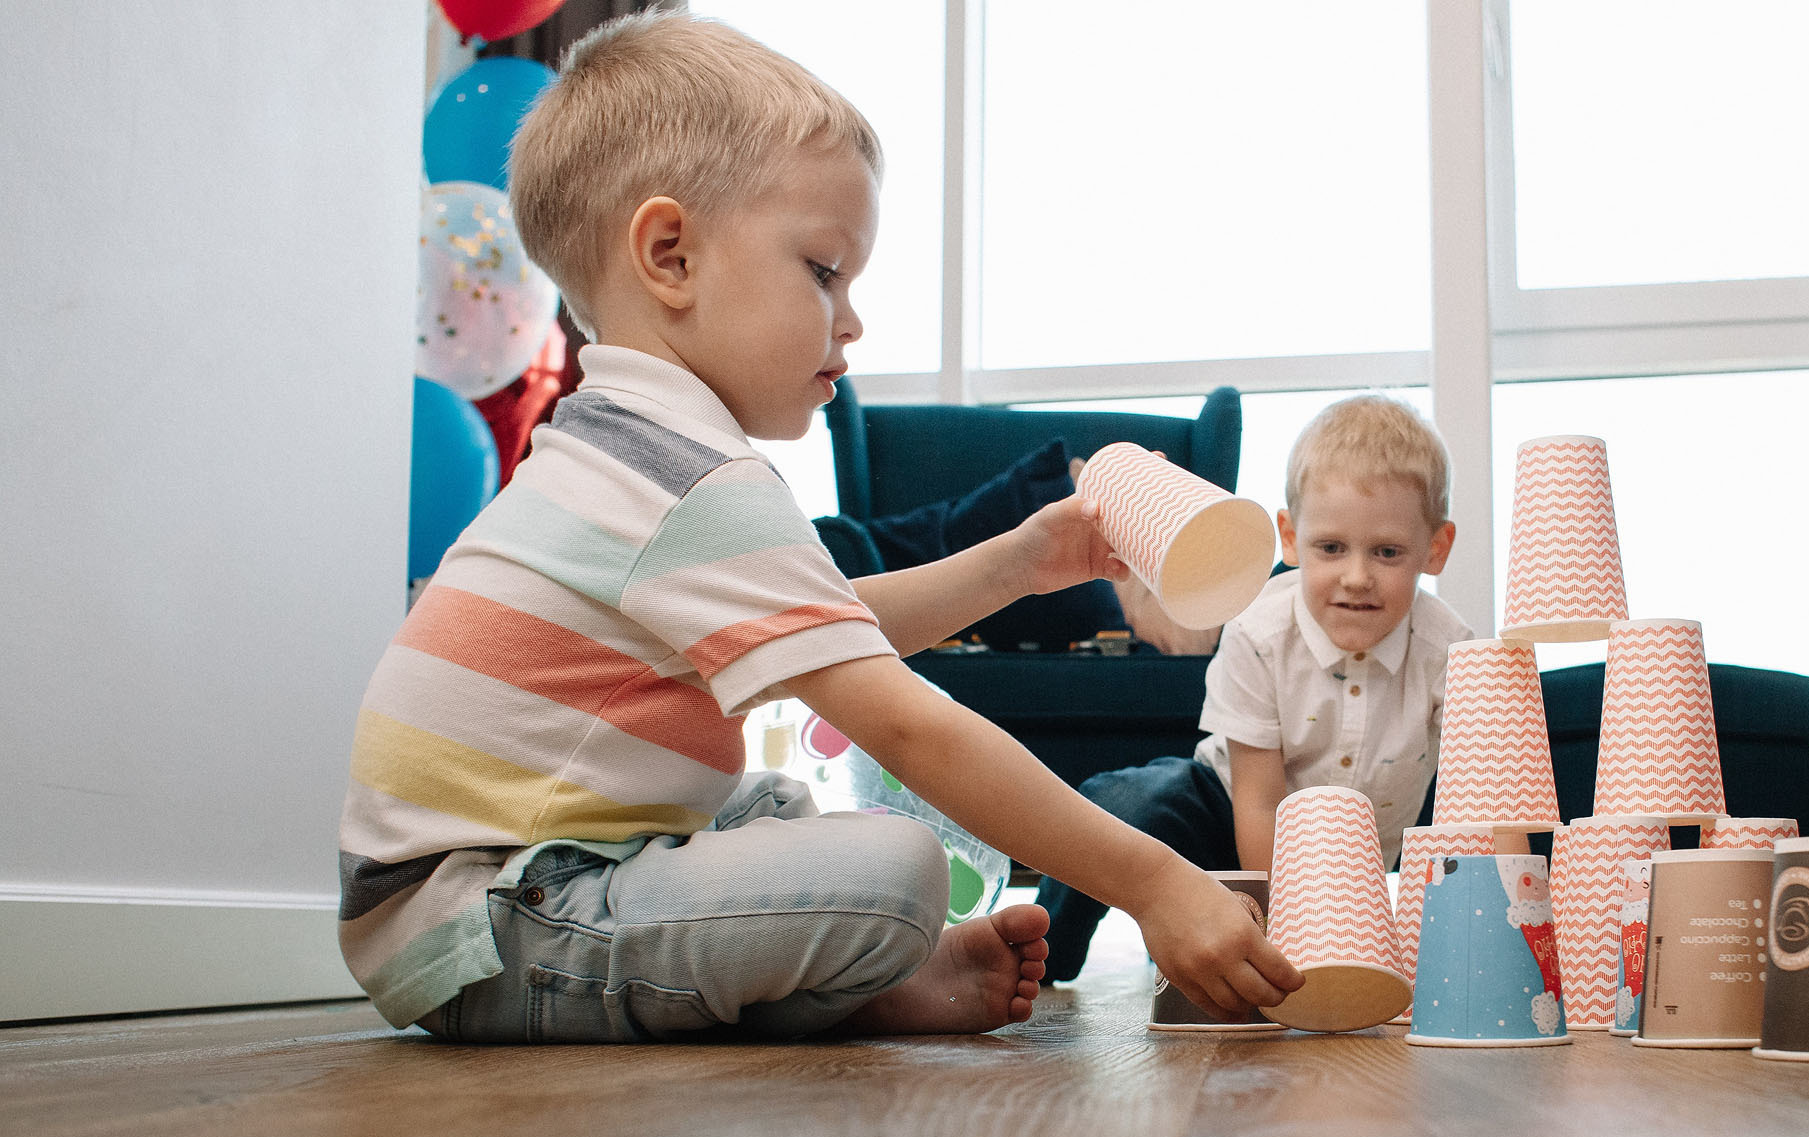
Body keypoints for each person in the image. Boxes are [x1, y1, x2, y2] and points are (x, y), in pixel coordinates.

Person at [337, 13, 1301, 1042]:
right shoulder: (685, 478)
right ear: (670, 255)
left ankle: (851, 979)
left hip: (489, 895)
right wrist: (1160, 885)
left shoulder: (624, 446)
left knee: (770, 812)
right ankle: (861, 978)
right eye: (824, 272)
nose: (852, 321)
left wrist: (1023, 562)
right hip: (494, 919)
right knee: (893, 869)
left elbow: (833, 623)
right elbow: (903, 719)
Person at [1035, 396, 1473, 981]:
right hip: (1230, 809)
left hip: (1354, 855)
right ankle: (1043, 956)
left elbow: (1469, 808)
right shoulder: (1260, 632)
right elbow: (1260, 799)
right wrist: (1275, 931)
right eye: (1331, 548)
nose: (1357, 577)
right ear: (1290, 538)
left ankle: (1199, 936)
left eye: (1388, 553)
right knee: (1122, 807)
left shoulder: (1454, 653)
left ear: (1435, 549)